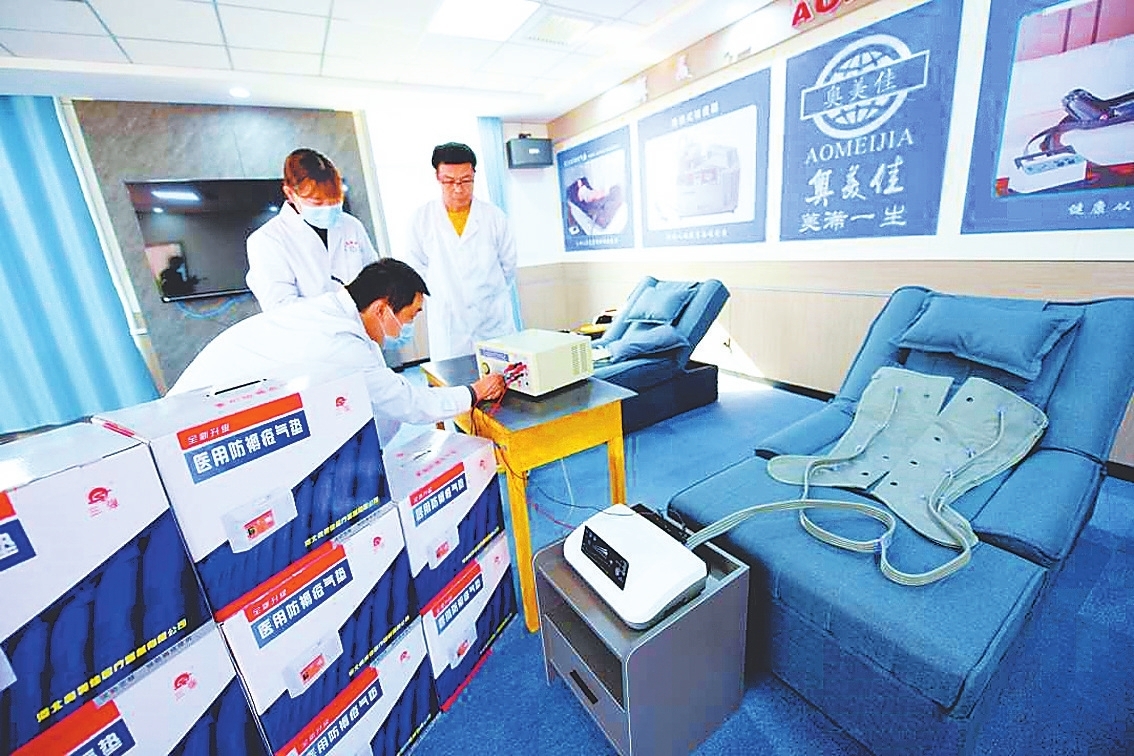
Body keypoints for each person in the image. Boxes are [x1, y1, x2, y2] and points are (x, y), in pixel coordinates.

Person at [171, 258, 506, 446]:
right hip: (196, 422)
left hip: (214, 406)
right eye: (411, 316)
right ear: (381, 308)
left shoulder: (333, 312)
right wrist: (473, 392)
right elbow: (409, 403)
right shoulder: (341, 344)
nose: (409, 325)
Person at [399, 142, 518, 361]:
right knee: (453, 380)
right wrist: (445, 296)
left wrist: (485, 294)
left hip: (492, 323)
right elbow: (416, 270)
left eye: (465, 180)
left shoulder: (494, 217)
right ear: (437, 176)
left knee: (503, 377)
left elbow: (508, 268)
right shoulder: (421, 219)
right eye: (449, 181)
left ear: (474, 175)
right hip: (449, 327)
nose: (458, 189)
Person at [246, 148, 379, 310]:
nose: (328, 208)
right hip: (311, 326)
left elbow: (376, 278)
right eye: (317, 202)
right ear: (290, 193)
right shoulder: (266, 240)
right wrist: (342, 305)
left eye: (335, 200)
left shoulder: (351, 225)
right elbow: (281, 307)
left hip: (362, 324)